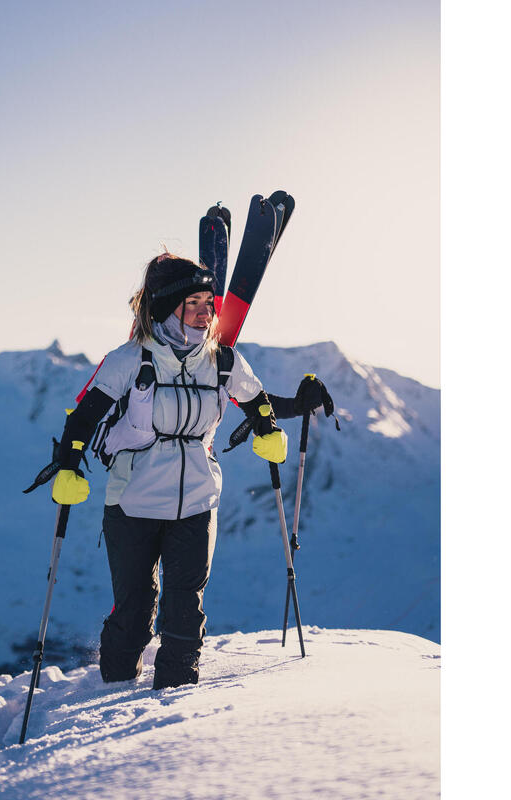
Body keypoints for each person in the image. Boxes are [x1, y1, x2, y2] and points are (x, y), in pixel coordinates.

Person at [48, 253, 333, 689]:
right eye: (193, 302)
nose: (205, 312)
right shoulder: (129, 360)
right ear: (166, 307)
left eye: (208, 302)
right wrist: (69, 466)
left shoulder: (222, 361)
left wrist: (281, 418)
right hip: (132, 504)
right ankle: (111, 697)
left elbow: (257, 403)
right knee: (134, 612)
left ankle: (174, 707)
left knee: (185, 610)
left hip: (197, 502)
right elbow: (82, 419)